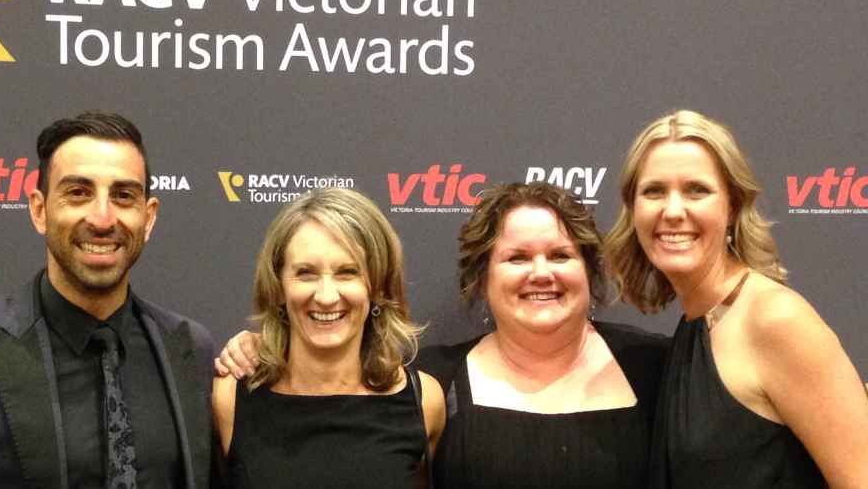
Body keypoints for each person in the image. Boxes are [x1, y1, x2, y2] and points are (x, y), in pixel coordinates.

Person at [218, 182, 668, 488]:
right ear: (482, 278)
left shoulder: (656, 368)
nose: (540, 273)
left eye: (560, 255)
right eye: (516, 258)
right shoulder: (434, 384)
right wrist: (254, 346)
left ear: (590, 268)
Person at [0, 112, 215, 489]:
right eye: (78, 193)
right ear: (39, 210)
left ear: (148, 218)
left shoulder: (189, 348)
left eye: (123, 196)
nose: (102, 219)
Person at [606, 109, 868, 488]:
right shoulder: (697, 325)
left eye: (697, 190)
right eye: (654, 191)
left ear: (732, 207)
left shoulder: (775, 320)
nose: (673, 211)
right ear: (633, 210)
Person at [211, 188, 445, 489]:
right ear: (278, 286)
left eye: (347, 272)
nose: (326, 296)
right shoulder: (229, 397)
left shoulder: (424, 401)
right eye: (306, 273)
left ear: (377, 286)